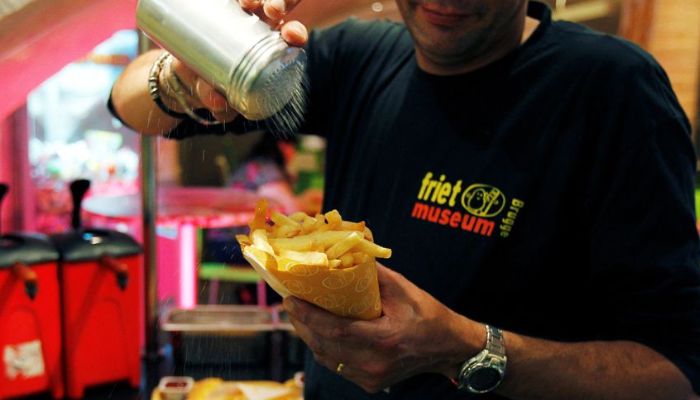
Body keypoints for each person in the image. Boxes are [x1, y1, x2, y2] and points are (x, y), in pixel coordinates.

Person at [110, 0, 700, 398]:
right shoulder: (364, 58)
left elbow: (680, 372)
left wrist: (466, 349)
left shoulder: (610, 89)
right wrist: (187, 78)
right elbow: (129, 99)